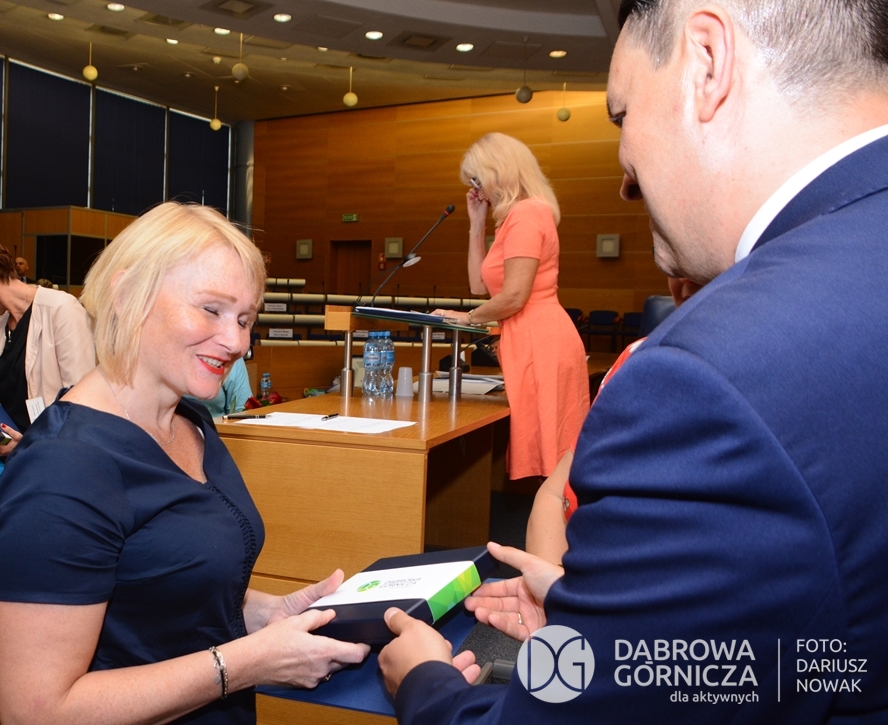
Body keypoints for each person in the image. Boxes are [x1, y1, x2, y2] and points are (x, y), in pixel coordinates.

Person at [379, 1, 888, 722]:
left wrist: (426, 682)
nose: (625, 177)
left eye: (621, 116)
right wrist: (602, 625)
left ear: (707, 62)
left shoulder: (705, 378)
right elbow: (790, 660)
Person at [0, 202, 369, 725]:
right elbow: (38, 713)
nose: (237, 342)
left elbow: (159, 589)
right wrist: (246, 663)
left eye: (245, 319)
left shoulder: (190, 421)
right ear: (128, 295)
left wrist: (268, 614)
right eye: (211, 310)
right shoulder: (61, 471)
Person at [434, 133, 589, 480]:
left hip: (541, 341)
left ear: (499, 172)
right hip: (528, 338)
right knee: (550, 460)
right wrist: (477, 223)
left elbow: (516, 296)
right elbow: (479, 286)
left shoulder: (527, 213)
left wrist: (468, 318)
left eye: (478, 180)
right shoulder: (514, 216)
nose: (477, 191)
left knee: (556, 464)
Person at [526, 275, 703, 565]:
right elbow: (555, 495)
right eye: (675, 270)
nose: (684, 286)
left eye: (699, 274)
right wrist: (552, 582)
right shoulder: (635, 356)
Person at [0, 238, 95, 528]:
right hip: (10, 463)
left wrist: (30, 445)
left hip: (56, 465)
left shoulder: (61, 308)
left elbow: (82, 402)